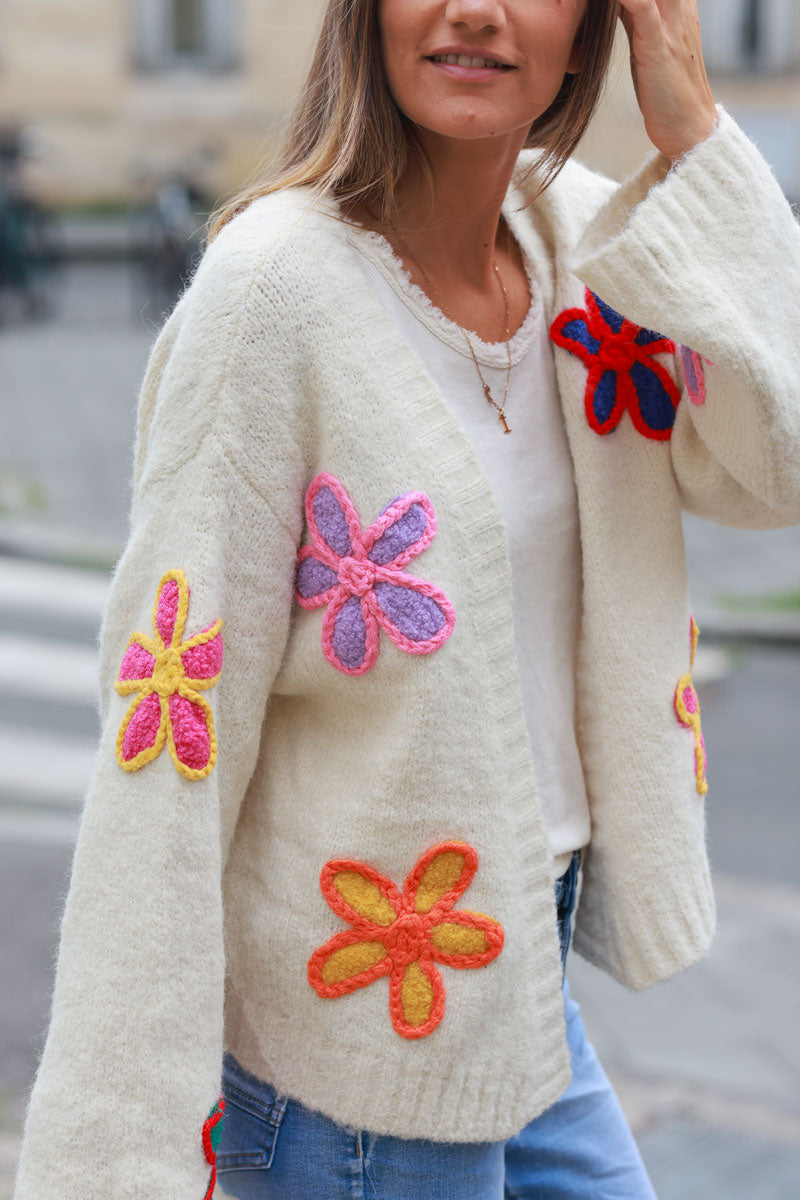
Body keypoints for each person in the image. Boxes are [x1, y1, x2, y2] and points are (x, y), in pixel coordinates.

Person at [13, 2, 800, 1198]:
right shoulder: (270, 297)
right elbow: (169, 738)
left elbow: (774, 465)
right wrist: (116, 1160)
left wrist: (692, 126)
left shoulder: (584, 249)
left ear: (596, 26)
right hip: (354, 1056)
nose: (475, 9)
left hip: (518, 997)